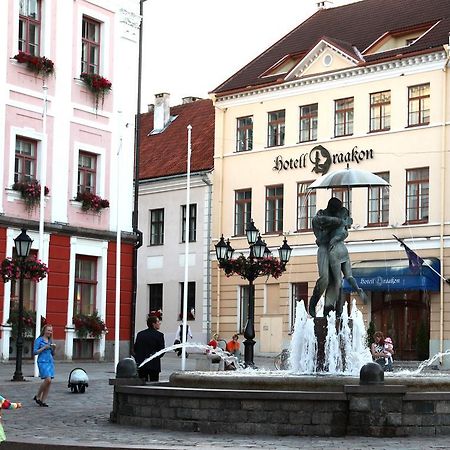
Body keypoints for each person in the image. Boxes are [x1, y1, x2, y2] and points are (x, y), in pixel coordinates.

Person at [309, 197, 366, 318]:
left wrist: (343, 225)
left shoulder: (339, 217)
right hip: (324, 247)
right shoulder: (321, 215)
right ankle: (313, 303)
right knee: (324, 279)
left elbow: (344, 232)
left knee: (335, 282)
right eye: (335, 210)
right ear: (331, 207)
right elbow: (319, 221)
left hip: (335, 249)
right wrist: (340, 222)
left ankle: (329, 310)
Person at [134, 315, 165, 382]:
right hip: (154, 365)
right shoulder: (159, 335)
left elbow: (135, 348)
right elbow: (162, 351)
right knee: (154, 384)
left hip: (142, 364)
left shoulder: (140, 334)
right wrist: (155, 356)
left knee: (142, 383)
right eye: (158, 322)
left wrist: (138, 358)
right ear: (153, 324)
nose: (159, 323)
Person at [33, 324, 56, 407]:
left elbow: (53, 354)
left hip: (50, 362)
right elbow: (35, 352)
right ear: (44, 331)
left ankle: (43, 401)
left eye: (51, 330)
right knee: (48, 380)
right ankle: (38, 395)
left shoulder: (51, 341)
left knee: (49, 382)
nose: (50, 332)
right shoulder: (39, 340)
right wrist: (44, 348)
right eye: (48, 330)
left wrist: (53, 349)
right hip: (42, 362)